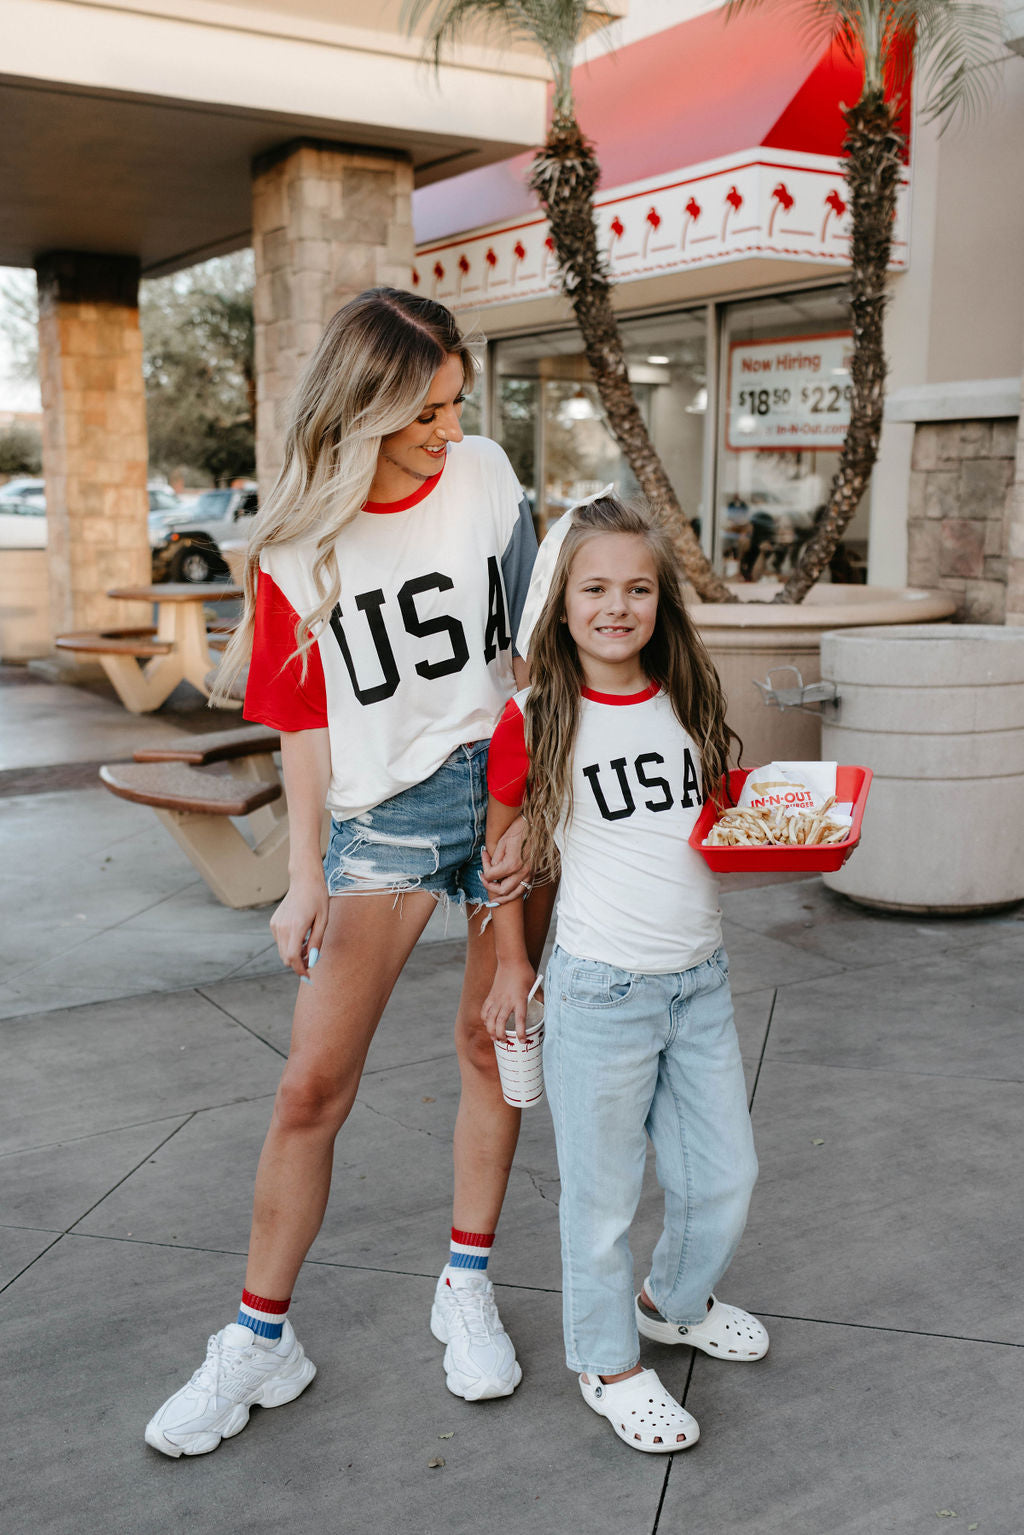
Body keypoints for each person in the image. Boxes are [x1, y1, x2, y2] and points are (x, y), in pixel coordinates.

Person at [145, 287, 555, 1458]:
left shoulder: (483, 474)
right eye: (425, 408)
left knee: (493, 1042)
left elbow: (530, 647)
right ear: (363, 403)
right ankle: (261, 1338)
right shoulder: (295, 539)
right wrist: (308, 872)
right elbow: (304, 721)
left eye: (455, 404)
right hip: (383, 815)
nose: (448, 426)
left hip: (509, 787)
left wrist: (537, 795)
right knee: (309, 1089)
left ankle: (463, 1280)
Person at [481, 495, 767, 1455]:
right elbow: (504, 859)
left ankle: (671, 1303)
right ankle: (608, 1364)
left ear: (661, 601)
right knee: (600, 1202)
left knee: (725, 1175)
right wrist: (512, 965)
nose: (617, 606)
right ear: (560, 604)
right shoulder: (536, 716)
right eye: (595, 588)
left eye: (638, 588)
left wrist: (785, 821)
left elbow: (716, 813)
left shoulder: (687, 693)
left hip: (700, 980)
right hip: (601, 990)